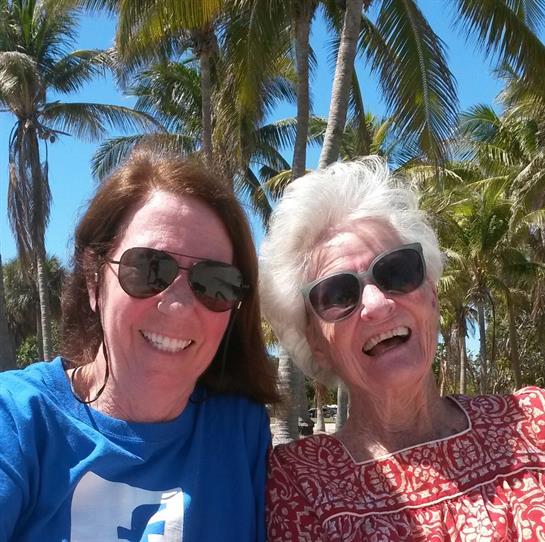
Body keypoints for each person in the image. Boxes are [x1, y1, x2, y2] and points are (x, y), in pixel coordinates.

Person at [259, 157, 545, 541]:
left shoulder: (533, 421)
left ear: (432, 295)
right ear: (315, 343)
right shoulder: (300, 485)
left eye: (396, 271)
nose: (377, 305)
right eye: (339, 294)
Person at [0, 150, 278, 541]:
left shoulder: (240, 432)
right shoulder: (16, 421)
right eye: (149, 269)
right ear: (94, 281)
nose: (179, 306)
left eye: (215, 282)